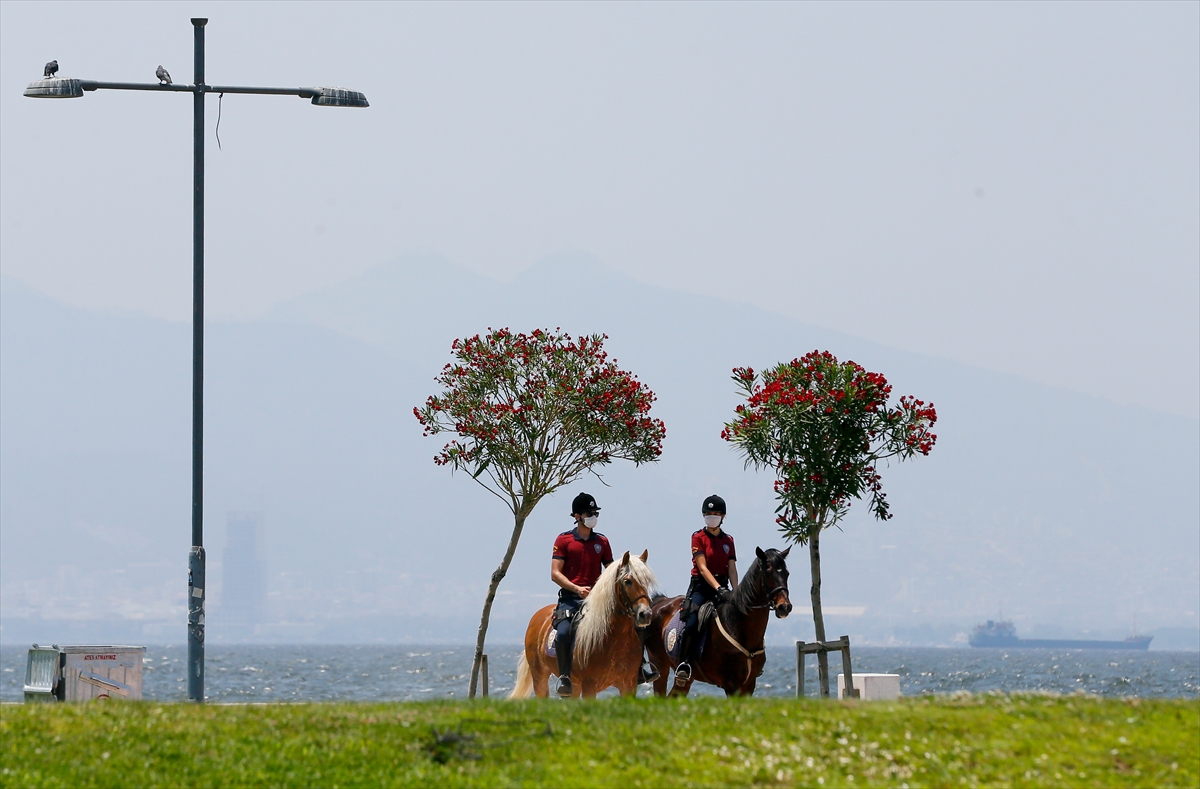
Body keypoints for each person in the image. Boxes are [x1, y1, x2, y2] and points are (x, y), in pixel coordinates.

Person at [550, 492, 613, 697]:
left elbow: (610, 570)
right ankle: (564, 677)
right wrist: (577, 589)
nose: (593, 515)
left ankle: (639, 668)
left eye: (595, 512)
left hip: (597, 601)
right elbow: (555, 573)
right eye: (589, 512)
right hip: (570, 599)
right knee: (563, 633)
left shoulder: (602, 541)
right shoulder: (564, 539)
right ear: (577, 516)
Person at [674, 494, 738, 687]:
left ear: (723, 516)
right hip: (702, 586)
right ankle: (684, 663)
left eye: (716, 513)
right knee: (692, 622)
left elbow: (732, 569)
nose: (712, 516)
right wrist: (718, 589)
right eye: (708, 513)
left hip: (724, 587)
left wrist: (737, 592)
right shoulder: (698, 537)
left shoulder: (729, 540)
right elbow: (702, 568)